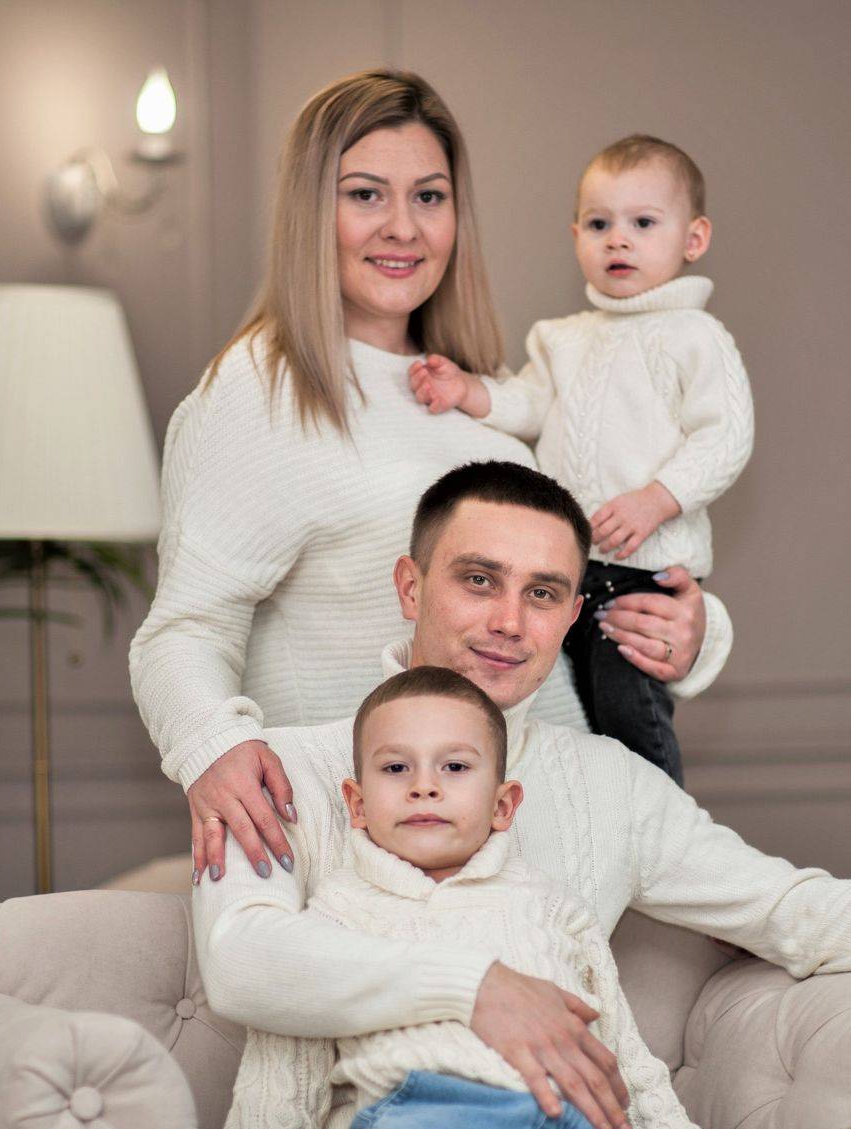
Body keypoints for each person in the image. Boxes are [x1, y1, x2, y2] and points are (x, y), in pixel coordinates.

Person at [195, 462, 851, 1129]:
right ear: (410, 586)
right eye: (478, 580)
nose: (509, 621)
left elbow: (787, 906)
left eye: (543, 593)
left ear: (570, 615)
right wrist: (476, 987)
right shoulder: (284, 767)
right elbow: (242, 961)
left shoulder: (610, 783)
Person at [128, 71, 735, 889]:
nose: (404, 228)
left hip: (555, 844)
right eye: (365, 195)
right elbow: (183, 630)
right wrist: (214, 747)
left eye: (429, 197)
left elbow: (562, 594)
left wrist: (694, 634)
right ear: (311, 211)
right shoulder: (257, 393)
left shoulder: (483, 391)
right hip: (383, 866)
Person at [219, 666, 723, 1129]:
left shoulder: (552, 909)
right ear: (358, 804)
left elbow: (624, 1058)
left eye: (455, 766)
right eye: (395, 767)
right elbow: (278, 1084)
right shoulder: (336, 915)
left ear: (503, 805)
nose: (424, 787)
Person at [408, 134, 752, 784]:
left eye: (643, 223)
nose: (618, 240)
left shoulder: (695, 336)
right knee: (557, 719)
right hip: (562, 573)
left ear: (693, 238)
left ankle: (658, 827)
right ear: (576, 237)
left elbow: (725, 436)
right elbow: (529, 404)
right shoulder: (562, 339)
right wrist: (469, 392)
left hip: (644, 575)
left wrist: (657, 499)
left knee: (629, 716)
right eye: (599, 225)